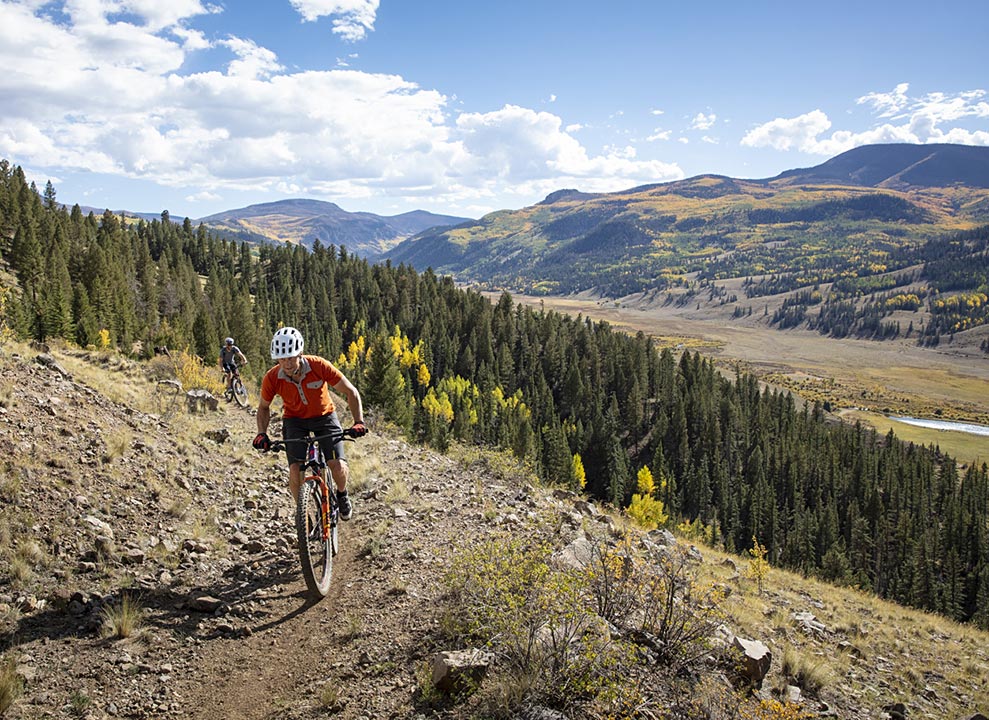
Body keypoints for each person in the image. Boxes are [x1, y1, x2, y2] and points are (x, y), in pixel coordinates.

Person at [252, 327, 367, 520]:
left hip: (324, 416)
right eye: (282, 359)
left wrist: (358, 422)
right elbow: (263, 407)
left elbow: (351, 391)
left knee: (337, 466)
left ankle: (342, 493)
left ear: (300, 353)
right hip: (294, 421)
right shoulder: (272, 378)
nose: (287, 364)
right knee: (295, 470)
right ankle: (303, 517)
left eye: (291, 358)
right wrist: (261, 433)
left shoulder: (318, 366)